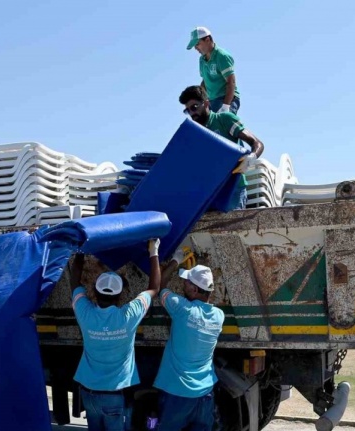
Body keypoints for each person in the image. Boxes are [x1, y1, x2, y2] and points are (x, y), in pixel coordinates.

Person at [70, 239, 162, 431]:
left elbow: (74, 282)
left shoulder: (85, 313)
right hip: (114, 396)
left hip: (89, 394)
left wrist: (80, 250)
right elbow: (154, 288)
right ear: (120, 296)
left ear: (94, 292)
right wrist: (154, 252)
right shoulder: (128, 316)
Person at [153, 249, 225, 431]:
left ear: (194, 289)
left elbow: (160, 285)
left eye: (186, 282)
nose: (183, 284)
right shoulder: (219, 316)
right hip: (205, 394)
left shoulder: (182, 309)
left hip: (178, 394)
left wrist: (176, 260)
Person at [180, 85, 265, 209]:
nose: (192, 113)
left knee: (234, 228)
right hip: (210, 193)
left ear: (207, 103)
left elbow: (257, 143)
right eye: (188, 111)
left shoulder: (224, 120)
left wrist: (250, 158)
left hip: (233, 190)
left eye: (194, 107)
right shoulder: (195, 133)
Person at [186, 26, 239, 114]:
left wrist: (226, 106)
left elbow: (231, 82)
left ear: (207, 40)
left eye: (197, 44)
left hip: (227, 99)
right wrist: (198, 99)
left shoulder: (222, 56)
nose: (196, 48)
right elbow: (205, 81)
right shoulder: (202, 60)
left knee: (221, 125)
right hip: (212, 101)